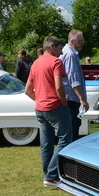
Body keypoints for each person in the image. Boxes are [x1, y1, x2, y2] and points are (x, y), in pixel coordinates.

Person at [24, 36, 72, 187]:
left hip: (40, 108)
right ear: (52, 47)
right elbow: (59, 86)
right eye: (59, 49)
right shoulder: (56, 62)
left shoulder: (36, 63)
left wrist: (39, 99)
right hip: (55, 106)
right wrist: (64, 103)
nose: (60, 52)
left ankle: (48, 175)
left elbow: (27, 90)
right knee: (65, 139)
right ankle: (51, 175)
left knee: (46, 143)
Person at [61, 29, 89, 141]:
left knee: (73, 127)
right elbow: (73, 79)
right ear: (72, 41)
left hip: (70, 98)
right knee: (72, 131)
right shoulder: (70, 54)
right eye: (80, 41)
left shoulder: (69, 52)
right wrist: (82, 99)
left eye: (83, 41)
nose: (82, 43)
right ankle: (67, 157)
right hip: (71, 99)